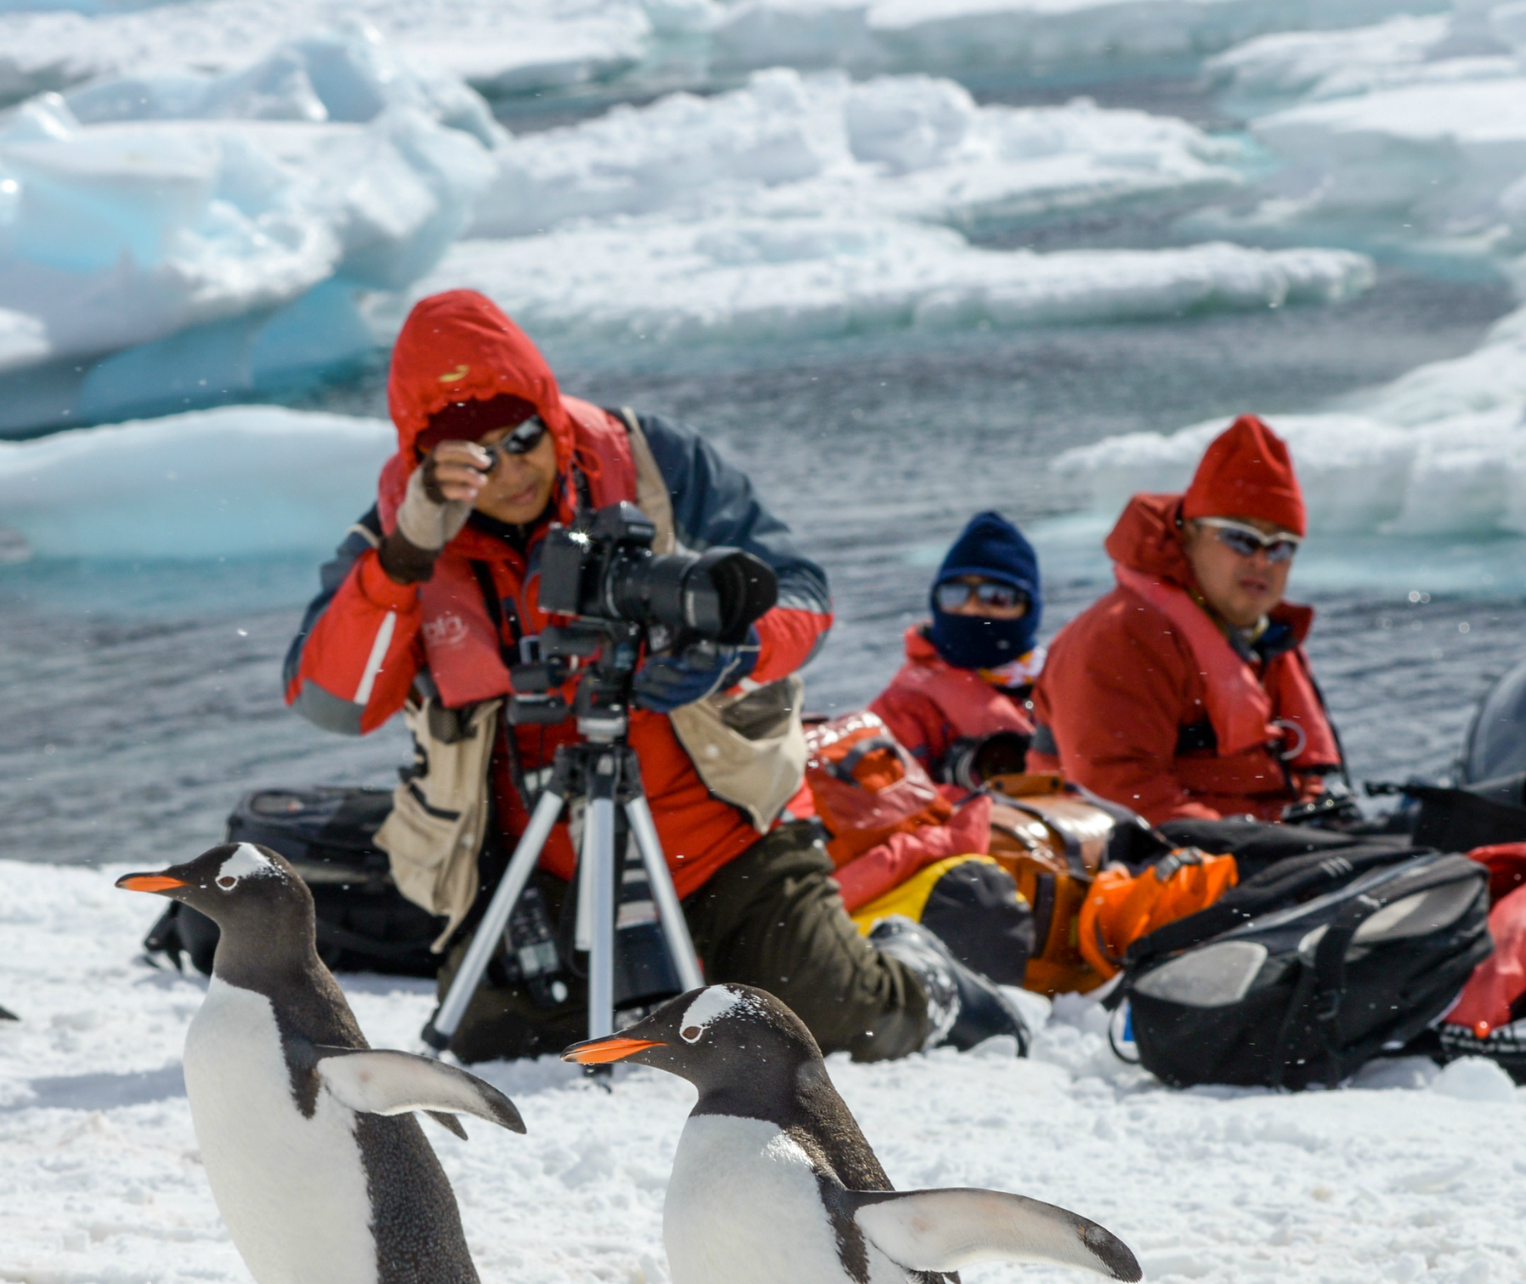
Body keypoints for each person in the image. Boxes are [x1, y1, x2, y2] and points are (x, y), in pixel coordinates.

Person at [284, 290, 1017, 1061]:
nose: (510, 471)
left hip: (731, 831)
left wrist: (732, 652)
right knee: (500, 1048)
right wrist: (403, 560)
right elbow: (333, 703)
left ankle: (923, 973)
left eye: (525, 434)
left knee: (836, 1024)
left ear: (550, 408)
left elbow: (804, 593)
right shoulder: (396, 540)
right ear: (427, 460)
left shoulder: (647, 459)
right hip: (537, 865)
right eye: (476, 457)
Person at [1035, 415, 1339, 823]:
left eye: (1282, 547)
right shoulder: (1122, 633)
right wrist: (1269, 848)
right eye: (1241, 538)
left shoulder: (1267, 638)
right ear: (1191, 534)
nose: (1262, 561)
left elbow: (1307, 777)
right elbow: (1119, 797)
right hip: (1145, 869)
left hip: (1266, 840)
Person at [869, 510, 1044, 786]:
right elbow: (889, 811)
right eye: (954, 593)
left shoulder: (1063, 689)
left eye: (996, 597)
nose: (971, 608)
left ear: (1028, 609)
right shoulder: (904, 707)